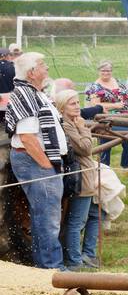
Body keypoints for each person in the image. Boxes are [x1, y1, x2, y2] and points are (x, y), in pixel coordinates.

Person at [4, 52, 68, 269]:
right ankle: (52, 266)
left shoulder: (35, 93)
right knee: (48, 215)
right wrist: (46, 165)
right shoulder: (26, 95)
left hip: (38, 160)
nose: (47, 68)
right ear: (32, 73)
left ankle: (45, 264)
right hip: (34, 160)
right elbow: (28, 138)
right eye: (42, 65)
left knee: (44, 213)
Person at [55, 89, 101, 270]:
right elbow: (86, 148)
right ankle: (74, 262)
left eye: (77, 103)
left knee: (95, 215)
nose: (77, 106)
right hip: (80, 177)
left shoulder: (72, 123)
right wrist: (83, 128)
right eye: (72, 103)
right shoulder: (67, 126)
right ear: (62, 107)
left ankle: (88, 255)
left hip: (87, 175)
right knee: (76, 222)